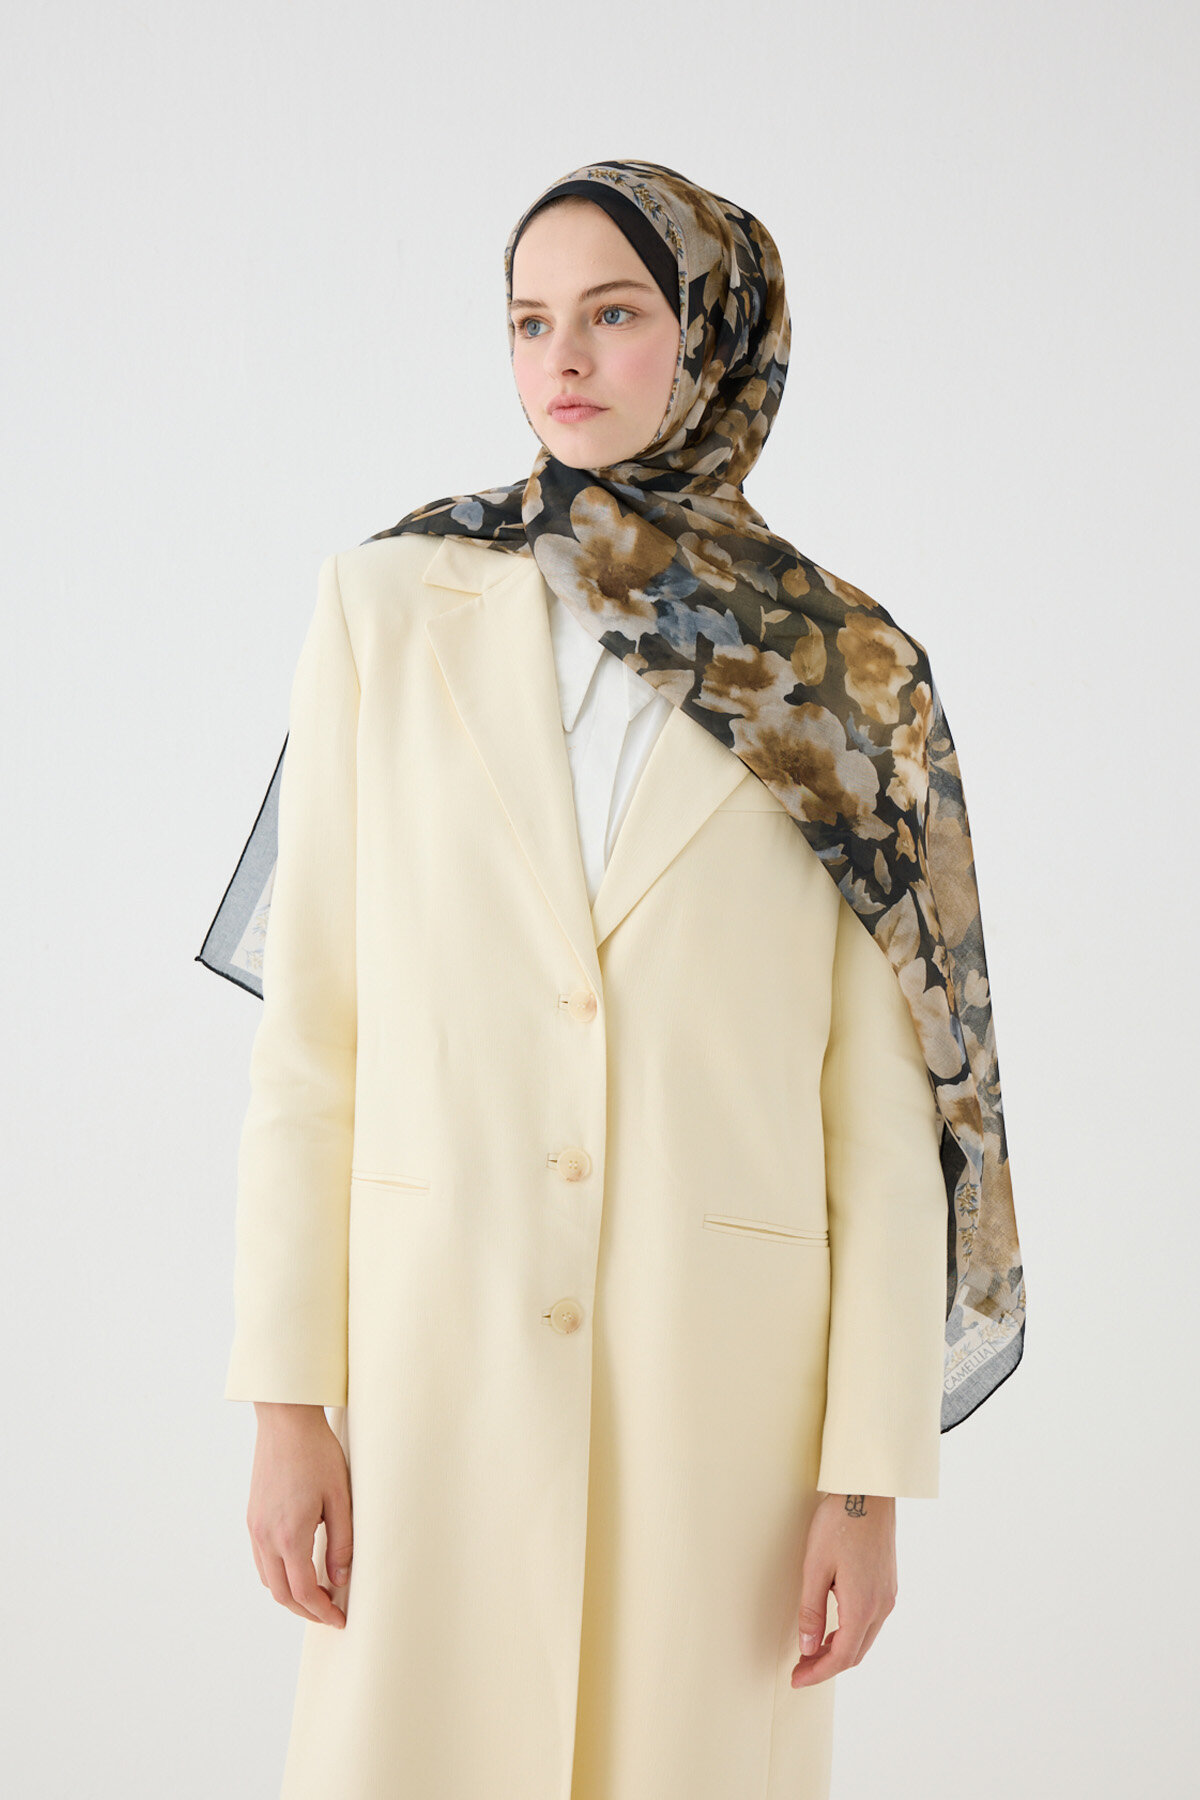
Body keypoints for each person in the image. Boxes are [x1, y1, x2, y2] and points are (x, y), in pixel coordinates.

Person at [200, 159, 1024, 1800]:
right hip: (435, 1367)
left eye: (615, 313)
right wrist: (288, 1400)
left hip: (722, 1404)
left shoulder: (844, 675)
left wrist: (866, 1480)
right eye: (529, 320)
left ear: (711, 337)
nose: (562, 358)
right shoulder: (388, 604)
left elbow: (878, 1118)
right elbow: (317, 1038)